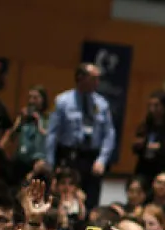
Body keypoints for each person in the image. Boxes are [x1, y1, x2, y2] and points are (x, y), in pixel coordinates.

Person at [46, 63, 116, 208]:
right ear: (80, 78)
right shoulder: (63, 101)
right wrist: (50, 162)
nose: (98, 82)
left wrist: (102, 160)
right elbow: (52, 133)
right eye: (94, 78)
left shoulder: (102, 104)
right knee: (65, 199)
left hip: (92, 159)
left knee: (90, 201)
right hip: (69, 156)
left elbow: (109, 134)